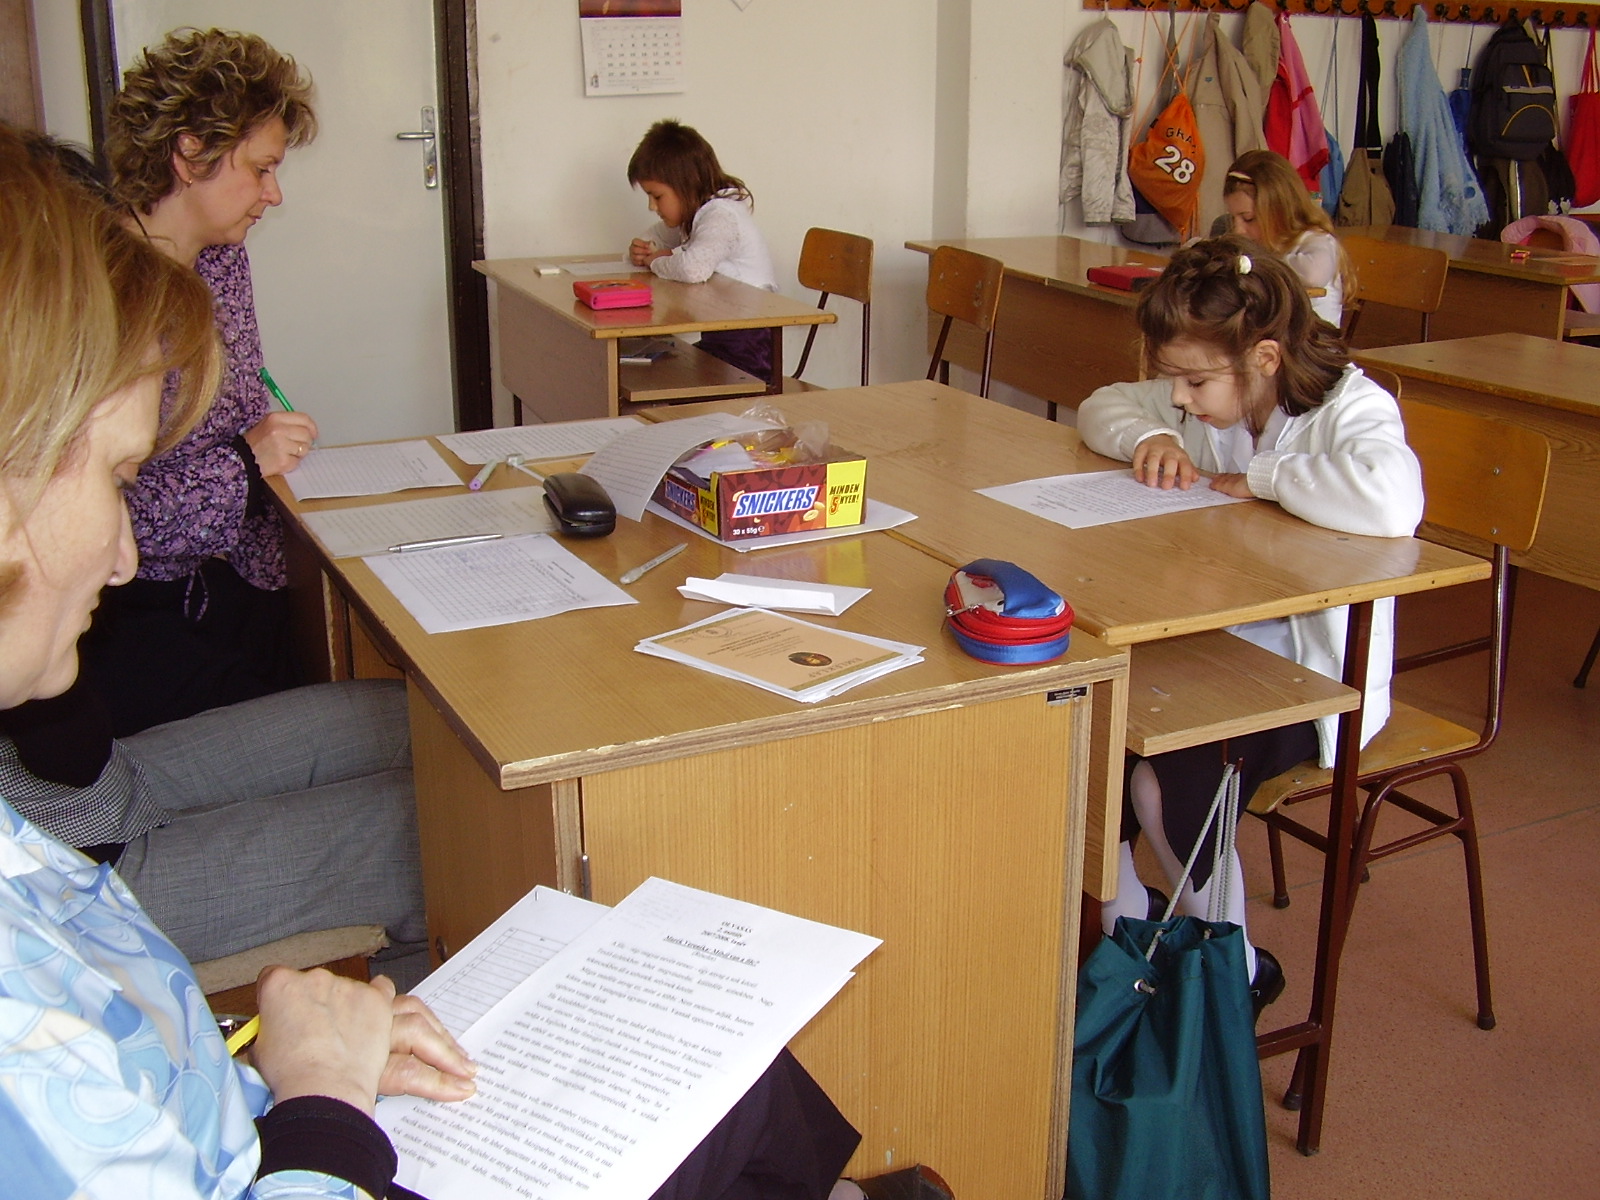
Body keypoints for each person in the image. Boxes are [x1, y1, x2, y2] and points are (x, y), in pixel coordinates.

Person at [1, 123, 951, 1200]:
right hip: (238, 1044)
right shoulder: (29, 1039)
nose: (125, 553)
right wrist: (318, 1098)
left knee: (426, 740)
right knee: (483, 834)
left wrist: (287, 1073)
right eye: (118, 478)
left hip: (108, 858)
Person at [0, 130, 428, 989]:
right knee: (450, 829)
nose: (124, 559)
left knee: (415, 726)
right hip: (85, 859)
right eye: (119, 478)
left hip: (87, 784)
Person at [1076, 235, 1424, 1017]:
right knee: (1092, 736)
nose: (1180, 399)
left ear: (1264, 358)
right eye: (1175, 382)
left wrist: (1261, 476)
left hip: (1318, 675)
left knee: (1168, 776)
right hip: (1218, 644)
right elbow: (1103, 404)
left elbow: (1392, 497)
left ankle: (1231, 976)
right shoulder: (1210, 398)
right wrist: (1153, 437)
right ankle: (1130, 942)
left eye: (1194, 383)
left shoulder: (1349, 405)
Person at [79, 26, 323, 735]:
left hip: (232, 572)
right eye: (261, 169)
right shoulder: (102, 291)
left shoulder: (220, 259)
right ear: (190, 154)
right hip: (136, 609)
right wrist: (246, 463)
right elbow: (107, 518)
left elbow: (239, 417)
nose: (274, 194)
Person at [626, 119, 778, 381]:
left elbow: (693, 269)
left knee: (663, 376)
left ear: (686, 185)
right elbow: (654, 237)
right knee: (654, 370)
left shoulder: (721, 216)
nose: (652, 206)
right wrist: (641, 250)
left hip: (749, 346)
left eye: (657, 196)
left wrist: (654, 261)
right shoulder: (696, 214)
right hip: (721, 336)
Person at [1222, 148, 1352, 330]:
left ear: (1279, 210)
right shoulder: (1258, 242)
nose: (1237, 229)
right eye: (1233, 218)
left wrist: (1253, 263)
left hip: (1312, 343)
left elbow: (1313, 275)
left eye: (1248, 218)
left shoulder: (1316, 240)